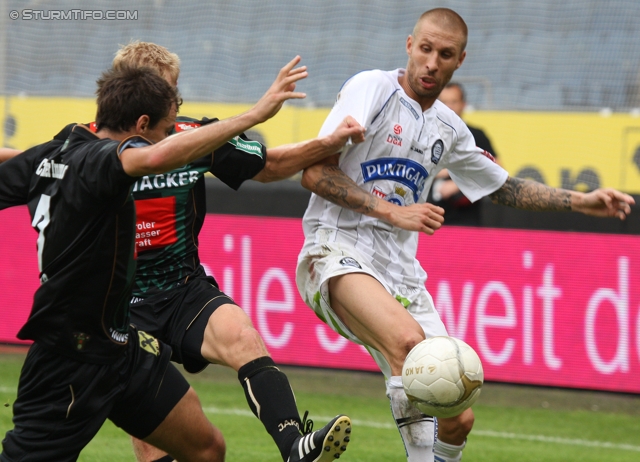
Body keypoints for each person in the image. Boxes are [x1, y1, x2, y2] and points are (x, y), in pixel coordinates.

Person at [295, 7, 634, 462]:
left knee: (458, 415)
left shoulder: (449, 128)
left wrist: (581, 201)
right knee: (411, 349)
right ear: (410, 46)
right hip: (334, 249)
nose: (432, 62)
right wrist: (390, 212)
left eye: (445, 54)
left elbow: (504, 186)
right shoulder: (370, 88)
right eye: (426, 49)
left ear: (461, 60)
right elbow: (314, 172)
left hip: (400, 274)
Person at [0, 58, 309, 461]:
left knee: (206, 449)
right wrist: (255, 113)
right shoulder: (99, 161)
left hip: (121, 348)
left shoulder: (53, 155)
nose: (168, 141)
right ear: (141, 126)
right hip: (68, 359)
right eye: (165, 132)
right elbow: (153, 159)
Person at [111, 41, 362, 462]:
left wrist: (331, 142)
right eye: (168, 95)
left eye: (177, 94)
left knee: (242, 337)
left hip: (183, 291)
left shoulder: (195, 137)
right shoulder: (90, 147)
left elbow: (272, 166)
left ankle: (294, 445)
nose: (177, 105)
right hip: (117, 306)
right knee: (156, 438)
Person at [429, 81, 499, 226]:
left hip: (466, 221)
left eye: (454, 102)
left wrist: (457, 184)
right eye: (444, 102)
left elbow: (496, 169)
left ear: (463, 104)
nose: (449, 107)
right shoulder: (426, 133)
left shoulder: (476, 135)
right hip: (428, 219)